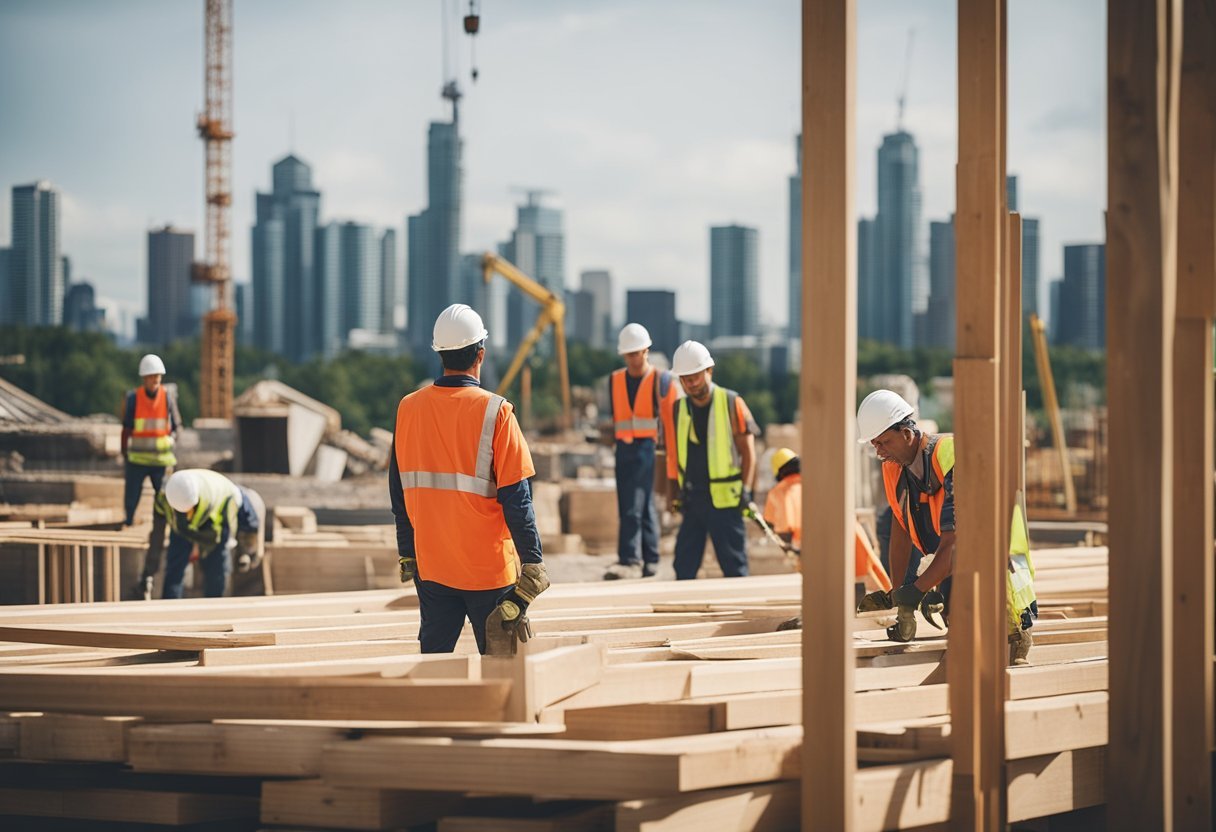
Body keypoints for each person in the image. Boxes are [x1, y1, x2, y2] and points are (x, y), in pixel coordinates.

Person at [390, 303, 549, 654]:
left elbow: (399, 494)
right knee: (504, 678)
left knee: (434, 671)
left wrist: (408, 553)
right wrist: (533, 560)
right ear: (481, 354)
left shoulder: (408, 408)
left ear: (439, 354)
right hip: (488, 574)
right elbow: (516, 499)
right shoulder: (497, 412)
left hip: (433, 569)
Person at [855, 389, 1035, 665]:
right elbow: (900, 530)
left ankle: (1017, 636)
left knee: (1000, 631)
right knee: (960, 625)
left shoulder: (954, 457)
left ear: (906, 434)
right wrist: (898, 590)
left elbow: (957, 544)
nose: (879, 452)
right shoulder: (896, 466)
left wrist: (916, 591)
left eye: (884, 442)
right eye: (874, 445)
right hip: (955, 557)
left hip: (997, 561)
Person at [664, 340, 759, 580]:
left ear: (709, 371)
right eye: (685, 378)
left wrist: (747, 492)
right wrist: (672, 493)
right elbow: (672, 457)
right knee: (683, 567)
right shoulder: (678, 409)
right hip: (692, 499)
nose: (691, 383)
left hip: (726, 502)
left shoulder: (731, 402)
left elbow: (749, 453)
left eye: (695, 376)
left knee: (734, 567)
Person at [603, 323, 679, 580]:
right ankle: (651, 558)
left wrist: (671, 458)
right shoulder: (614, 380)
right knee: (639, 503)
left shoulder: (661, 379)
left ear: (647, 351)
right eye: (629, 354)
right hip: (623, 448)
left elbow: (670, 421)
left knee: (633, 506)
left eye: (638, 353)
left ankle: (630, 560)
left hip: (647, 449)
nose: (634, 358)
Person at [147, 469, 265, 599]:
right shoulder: (165, 497)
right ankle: (169, 608)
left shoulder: (223, 498)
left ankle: (214, 608)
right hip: (181, 528)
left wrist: (247, 550)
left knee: (216, 569)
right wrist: (150, 567)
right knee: (175, 567)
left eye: (189, 510)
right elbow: (157, 532)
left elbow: (245, 526)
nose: (186, 514)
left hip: (215, 526)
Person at [121, 354, 181, 527]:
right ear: (144, 378)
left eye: (157, 376)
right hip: (137, 460)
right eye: (151, 376)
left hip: (161, 461)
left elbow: (177, 426)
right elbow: (126, 428)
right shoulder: (134, 398)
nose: (155, 379)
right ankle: (128, 521)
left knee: (163, 497)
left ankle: (162, 527)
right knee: (131, 495)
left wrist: (172, 440)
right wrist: (124, 453)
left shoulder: (167, 398)